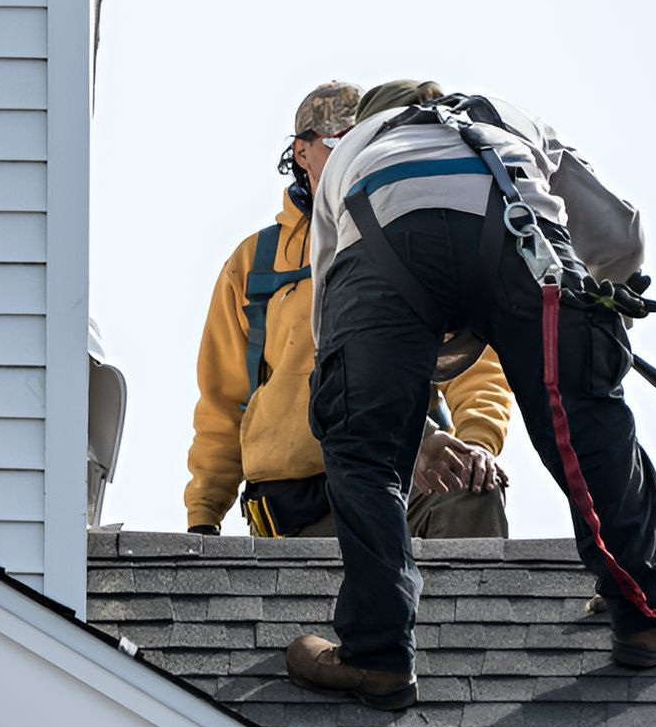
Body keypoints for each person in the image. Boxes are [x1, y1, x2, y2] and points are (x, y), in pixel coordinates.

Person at [285, 80, 656, 709]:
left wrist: (367, 395)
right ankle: (650, 612)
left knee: (362, 449)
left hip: (381, 238)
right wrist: (595, 324)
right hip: (520, 234)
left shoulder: (353, 150)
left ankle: (376, 657)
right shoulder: (511, 118)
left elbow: (333, 321)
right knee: (584, 419)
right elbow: (621, 234)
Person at [183, 82, 513, 540]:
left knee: (471, 491)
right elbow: (222, 402)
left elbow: (473, 365)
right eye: (341, 142)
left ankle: (470, 613)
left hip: (400, 473)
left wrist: (477, 443)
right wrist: (204, 515)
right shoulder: (254, 262)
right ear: (302, 152)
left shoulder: (409, 241)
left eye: (369, 139)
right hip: (296, 510)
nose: (355, 155)